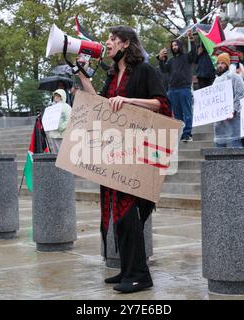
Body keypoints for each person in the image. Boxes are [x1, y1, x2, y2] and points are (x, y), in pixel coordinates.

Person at [76, 26, 171, 293]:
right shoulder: (112, 75)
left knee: (129, 216)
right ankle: (127, 270)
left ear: (126, 43)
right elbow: (100, 105)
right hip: (116, 152)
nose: (107, 43)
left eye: (112, 39)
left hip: (138, 153)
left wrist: (128, 100)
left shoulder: (145, 70)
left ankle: (140, 275)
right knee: (118, 216)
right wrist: (83, 77)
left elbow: (161, 104)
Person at [158, 29, 197, 142]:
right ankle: (180, 134)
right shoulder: (170, 61)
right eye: (172, 45)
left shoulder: (186, 57)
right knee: (177, 115)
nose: (174, 47)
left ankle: (187, 134)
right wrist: (160, 60)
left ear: (179, 45)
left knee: (187, 113)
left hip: (184, 89)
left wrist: (191, 39)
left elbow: (194, 53)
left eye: (176, 44)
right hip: (172, 90)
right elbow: (164, 69)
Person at [212, 53, 244, 147]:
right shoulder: (216, 80)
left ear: (227, 64)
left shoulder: (235, 77)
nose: (220, 65)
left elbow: (240, 95)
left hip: (233, 117)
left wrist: (234, 111)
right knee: (219, 145)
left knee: (235, 144)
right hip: (219, 119)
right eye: (218, 63)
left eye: (223, 63)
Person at [43, 89, 71, 154]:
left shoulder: (66, 107)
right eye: (55, 95)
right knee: (56, 155)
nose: (56, 97)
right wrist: (47, 127)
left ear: (62, 96)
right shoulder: (51, 107)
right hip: (53, 134)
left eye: (58, 95)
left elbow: (70, 119)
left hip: (61, 134)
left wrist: (61, 127)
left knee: (62, 154)